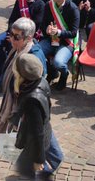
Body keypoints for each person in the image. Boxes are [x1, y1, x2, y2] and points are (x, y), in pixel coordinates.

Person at [9, 53, 62, 181]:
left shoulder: (32, 99)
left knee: (54, 158)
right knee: (55, 158)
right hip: (38, 132)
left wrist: (39, 160)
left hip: (38, 135)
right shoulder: (38, 81)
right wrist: (16, 118)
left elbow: (38, 133)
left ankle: (36, 174)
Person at [0, 0, 43, 74]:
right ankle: (4, 69)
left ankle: (11, 72)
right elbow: (11, 20)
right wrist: (11, 34)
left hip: (27, 36)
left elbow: (34, 27)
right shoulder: (20, 1)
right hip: (14, 32)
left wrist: (16, 38)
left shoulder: (40, 5)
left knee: (12, 45)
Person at [36, 0, 79, 90]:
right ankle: (50, 72)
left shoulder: (73, 9)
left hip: (66, 42)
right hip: (50, 39)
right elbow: (42, 24)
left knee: (59, 62)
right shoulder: (48, 5)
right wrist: (47, 29)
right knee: (36, 54)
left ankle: (64, 75)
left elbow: (73, 33)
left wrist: (58, 32)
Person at [0, 17, 45, 97]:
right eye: (11, 34)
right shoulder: (17, 48)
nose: (12, 39)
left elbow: (35, 84)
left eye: (17, 37)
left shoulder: (34, 57)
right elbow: (7, 71)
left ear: (29, 38)